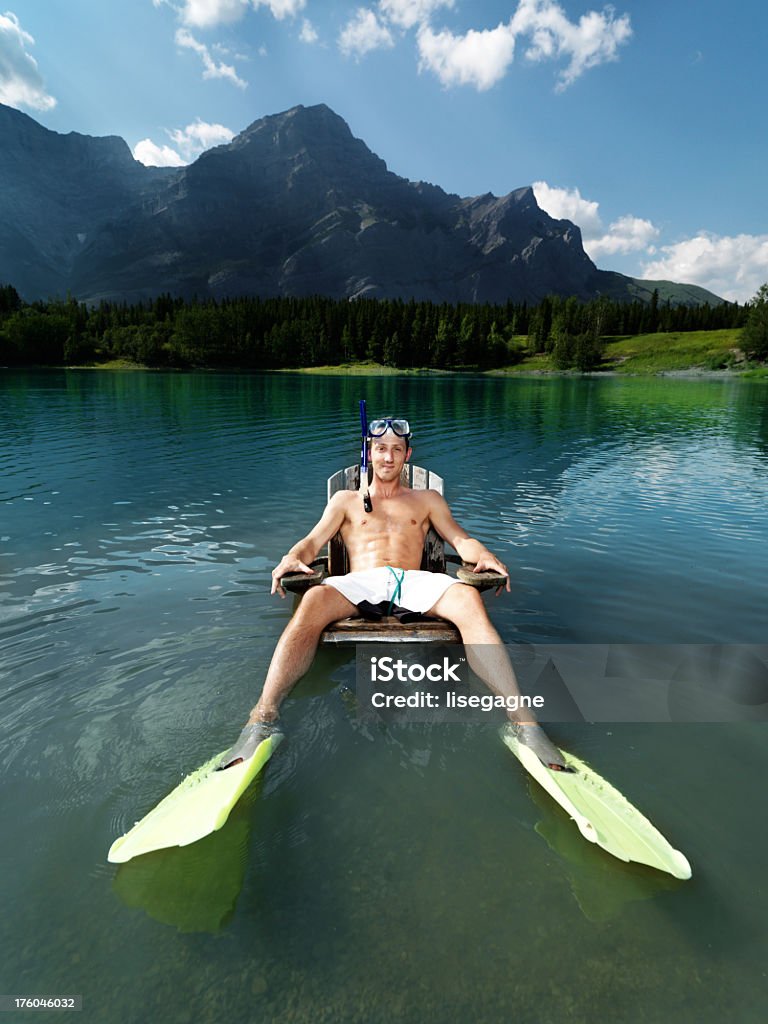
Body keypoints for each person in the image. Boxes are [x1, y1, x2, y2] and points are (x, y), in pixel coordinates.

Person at [219, 416, 567, 771]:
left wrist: (485, 555)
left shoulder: (427, 499)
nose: (388, 457)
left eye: (396, 450)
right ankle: (262, 718)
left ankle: (525, 723)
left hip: (413, 581)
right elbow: (313, 542)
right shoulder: (345, 500)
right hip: (361, 581)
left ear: (407, 455)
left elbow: (460, 540)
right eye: (381, 449)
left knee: (468, 600)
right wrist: (292, 557)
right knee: (312, 601)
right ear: (369, 454)